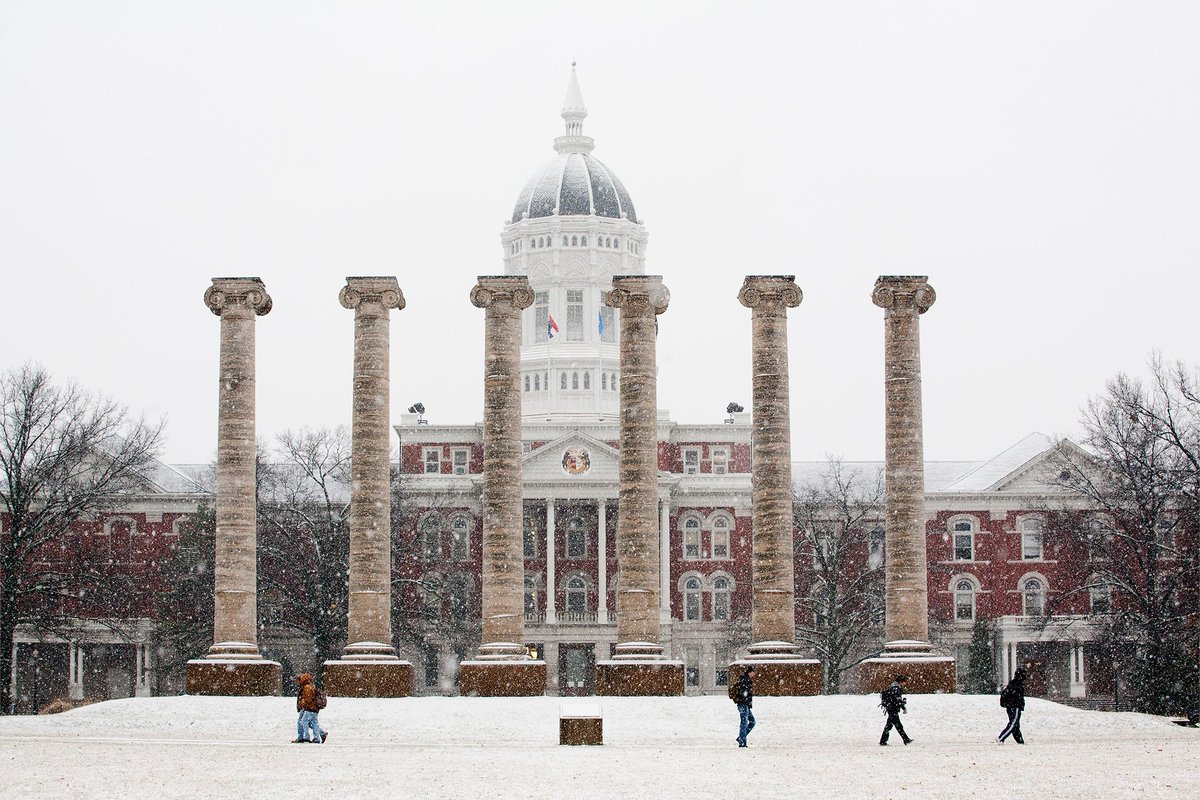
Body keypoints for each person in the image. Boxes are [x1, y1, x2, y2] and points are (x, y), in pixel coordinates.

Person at [293, 672, 327, 744]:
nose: (297, 682)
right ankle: (318, 736)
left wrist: (302, 703)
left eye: (298, 680)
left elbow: (308, 699)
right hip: (311, 708)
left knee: (303, 721)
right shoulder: (308, 686)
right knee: (313, 722)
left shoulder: (307, 687)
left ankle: (306, 737)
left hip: (309, 708)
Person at [879, 674, 912, 746]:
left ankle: (883, 741)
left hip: (890, 708)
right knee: (898, 726)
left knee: (889, 725)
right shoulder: (896, 688)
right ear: (901, 681)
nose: (905, 683)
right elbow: (897, 700)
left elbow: (895, 699)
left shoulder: (893, 687)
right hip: (893, 709)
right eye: (904, 681)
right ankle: (906, 739)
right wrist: (903, 707)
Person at [998, 667, 1027, 744]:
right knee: (1013, 724)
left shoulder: (1012, 684)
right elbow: (1018, 697)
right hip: (1015, 707)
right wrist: (1020, 704)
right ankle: (1001, 737)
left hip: (1010, 707)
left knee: (1015, 725)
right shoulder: (1018, 685)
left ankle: (1020, 741)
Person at [733, 666, 756, 747]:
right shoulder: (745, 680)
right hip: (743, 704)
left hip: (745, 704)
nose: (754, 674)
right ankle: (742, 743)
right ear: (750, 672)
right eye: (753, 672)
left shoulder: (746, 679)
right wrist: (745, 701)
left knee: (752, 722)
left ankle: (741, 738)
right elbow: (743, 693)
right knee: (744, 723)